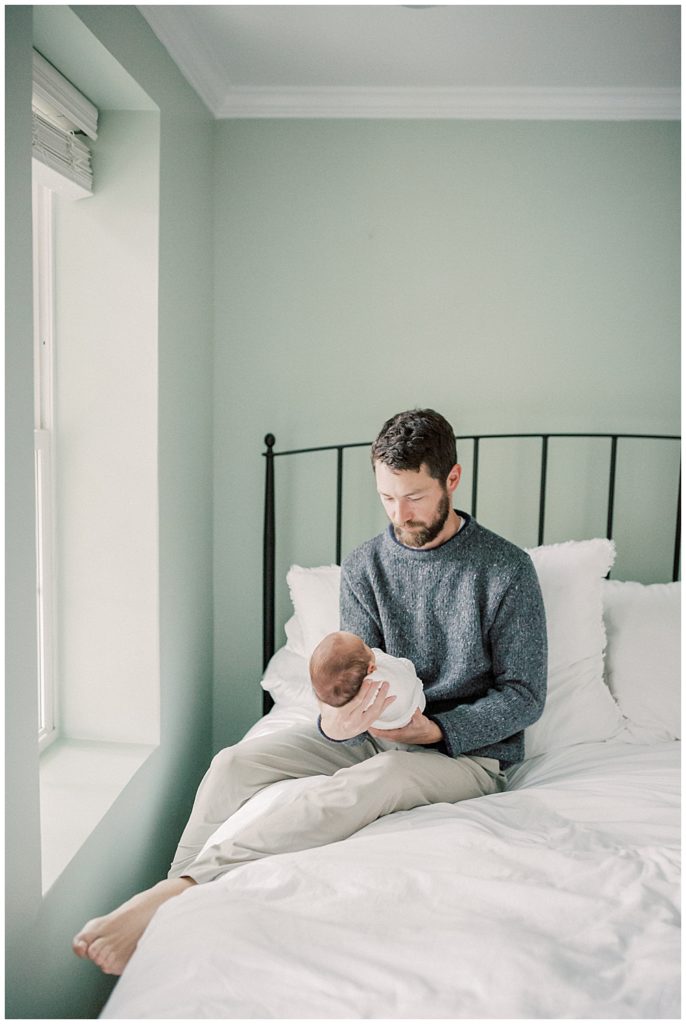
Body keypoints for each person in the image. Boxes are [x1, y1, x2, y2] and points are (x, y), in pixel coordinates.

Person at [73, 407, 547, 976]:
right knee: (233, 763)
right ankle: (172, 885)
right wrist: (336, 721)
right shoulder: (367, 564)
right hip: (371, 735)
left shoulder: (507, 569)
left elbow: (524, 694)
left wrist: (438, 728)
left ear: (452, 479)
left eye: (415, 496)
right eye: (388, 497)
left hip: (461, 754)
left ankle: (186, 890)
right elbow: (355, 673)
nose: (401, 513)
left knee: (379, 779)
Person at [309, 630, 426, 730]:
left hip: (384, 727)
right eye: (365, 645)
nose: (369, 646)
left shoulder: (348, 694)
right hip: (416, 707)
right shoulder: (387, 670)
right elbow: (406, 664)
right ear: (371, 668)